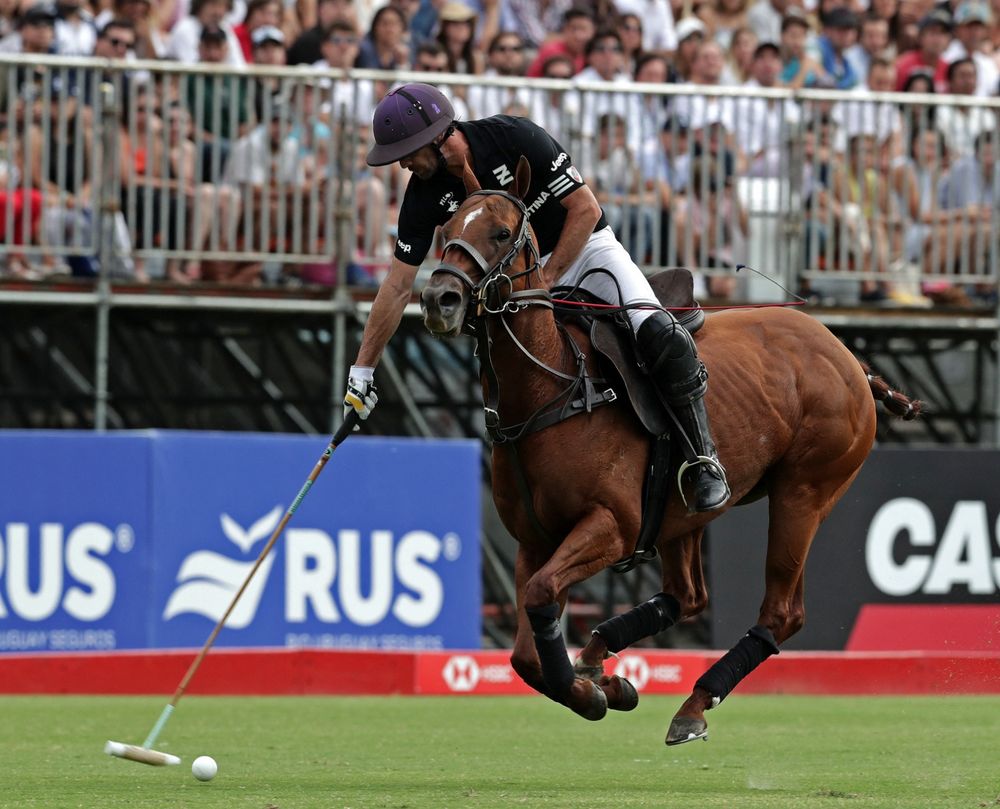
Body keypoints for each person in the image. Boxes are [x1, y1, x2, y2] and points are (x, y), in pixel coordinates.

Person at [344, 82, 730, 512]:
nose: (402, 164)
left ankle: (703, 458)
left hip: (584, 250)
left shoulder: (514, 136)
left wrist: (546, 277)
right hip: (517, 283)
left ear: (438, 137)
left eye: (408, 151)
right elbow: (397, 287)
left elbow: (586, 209)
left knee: (659, 331)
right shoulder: (422, 195)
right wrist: (363, 369)